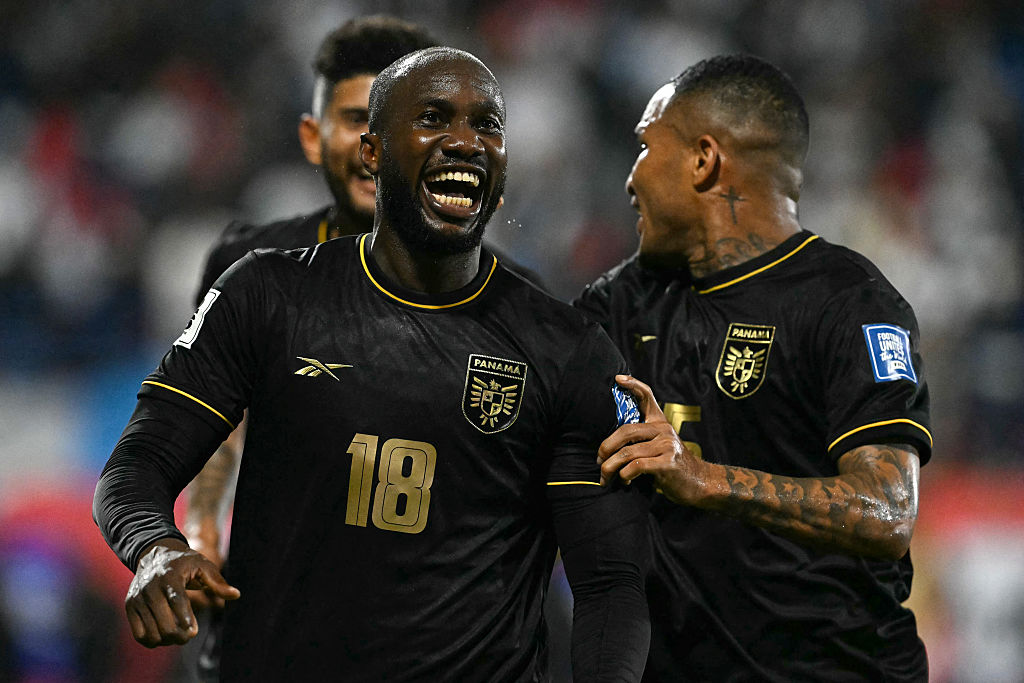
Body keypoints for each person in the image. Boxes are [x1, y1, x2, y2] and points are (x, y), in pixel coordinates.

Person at [93, 47, 650, 681]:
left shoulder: (566, 349)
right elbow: (135, 469)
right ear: (372, 152)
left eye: (487, 124)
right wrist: (156, 548)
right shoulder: (269, 294)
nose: (465, 142)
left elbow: (611, 584)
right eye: (434, 118)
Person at [575, 54, 932, 681]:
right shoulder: (620, 303)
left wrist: (701, 478)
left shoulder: (849, 304)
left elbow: (888, 510)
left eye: (643, 147)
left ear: (703, 159)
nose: (629, 179)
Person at [183, 15, 439, 586]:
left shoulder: (501, 296)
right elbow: (216, 420)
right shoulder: (248, 268)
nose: (377, 148)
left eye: (401, 123)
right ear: (312, 136)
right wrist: (201, 525)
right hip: (279, 593)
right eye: (356, 121)